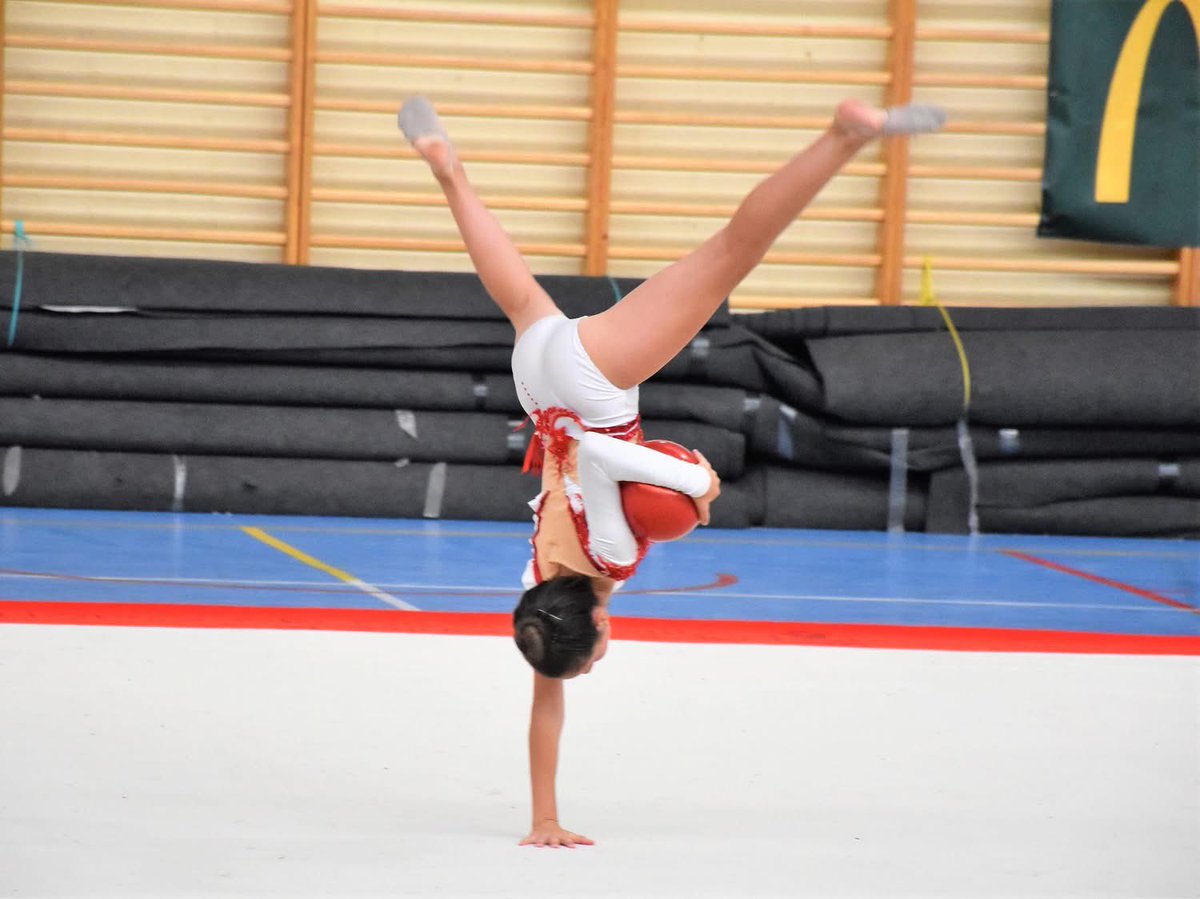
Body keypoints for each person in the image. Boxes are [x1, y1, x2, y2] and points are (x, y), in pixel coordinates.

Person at [398, 95, 945, 848]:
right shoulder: (540, 591)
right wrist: (544, 818)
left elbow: (597, 454)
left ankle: (843, 137)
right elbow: (545, 699)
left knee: (730, 254)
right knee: (519, 294)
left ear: (595, 626)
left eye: (586, 662)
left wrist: (697, 484)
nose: (585, 668)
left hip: (592, 388)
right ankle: (451, 175)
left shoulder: (608, 563)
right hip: (539, 385)